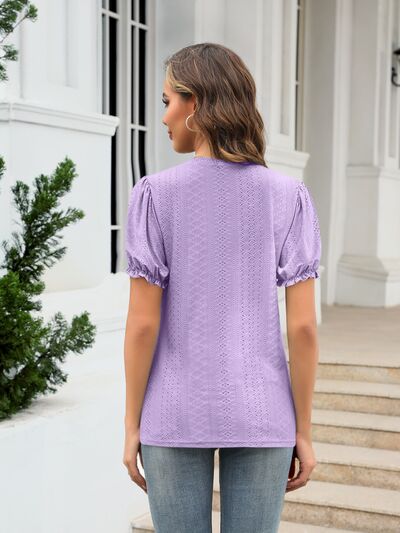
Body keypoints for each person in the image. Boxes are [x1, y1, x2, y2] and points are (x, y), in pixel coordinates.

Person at [122, 42, 321, 533]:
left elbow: (143, 324)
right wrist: (303, 429)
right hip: (263, 411)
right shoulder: (288, 196)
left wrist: (131, 424)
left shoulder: (155, 195)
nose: (164, 117)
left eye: (168, 100)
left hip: (172, 409)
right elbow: (303, 329)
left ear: (195, 103)